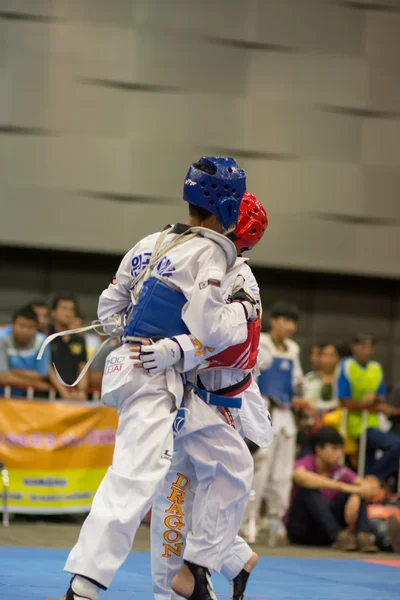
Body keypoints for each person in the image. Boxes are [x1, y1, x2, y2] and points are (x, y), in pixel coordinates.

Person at [59, 157, 259, 600]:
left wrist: (144, 329)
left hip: (157, 378)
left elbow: (107, 310)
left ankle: (214, 562)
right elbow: (211, 328)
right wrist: (236, 315)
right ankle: (83, 588)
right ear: (228, 207)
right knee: (136, 479)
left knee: (230, 466)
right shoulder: (211, 252)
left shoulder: (153, 240)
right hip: (155, 379)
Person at [139, 192, 273, 600]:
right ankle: (224, 563)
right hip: (190, 391)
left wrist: (175, 350)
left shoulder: (238, 279)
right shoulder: (185, 251)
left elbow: (221, 339)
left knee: (194, 487)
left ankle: (196, 573)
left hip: (216, 399)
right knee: (181, 492)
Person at [241, 301, 308, 543]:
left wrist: (300, 389)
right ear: (275, 321)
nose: (290, 327)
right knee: (260, 469)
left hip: (286, 417)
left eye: (294, 323)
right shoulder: (262, 342)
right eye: (286, 321)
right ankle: (249, 522)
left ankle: (276, 521)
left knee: (282, 474)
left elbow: (298, 380)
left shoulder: (293, 348)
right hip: (263, 411)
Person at [286, 426, 380, 552]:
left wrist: (355, 495)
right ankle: (338, 535)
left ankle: (363, 536)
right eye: (334, 449)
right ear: (319, 449)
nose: (339, 454)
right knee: (308, 490)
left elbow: (371, 487)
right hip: (302, 529)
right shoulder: (305, 463)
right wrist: (345, 487)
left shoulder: (341, 470)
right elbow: (300, 477)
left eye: (341, 449)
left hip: (324, 533)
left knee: (357, 492)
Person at [337, 334, 400, 481]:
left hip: (374, 424)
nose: (368, 351)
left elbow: (382, 396)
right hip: (354, 426)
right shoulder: (346, 365)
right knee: (396, 445)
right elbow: (343, 400)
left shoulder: (376, 367)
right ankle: (372, 479)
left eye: (371, 347)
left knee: (366, 464)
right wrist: (364, 402)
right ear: (354, 346)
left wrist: (373, 399)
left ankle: (367, 484)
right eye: (363, 346)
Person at [0, 306, 50, 397]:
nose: (25, 331)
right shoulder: (2, 338)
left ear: (36, 327)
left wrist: (13, 371)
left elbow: (41, 375)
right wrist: (35, 383)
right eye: (22, 325)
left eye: (30, 327)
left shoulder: (42, 341)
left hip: (30, 398)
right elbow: (2, 377)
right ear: (12, 325)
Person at [49, 295, 89, 401]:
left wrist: (82, 391)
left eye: (71, 309)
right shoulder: (45, 337)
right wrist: (64, 392)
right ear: (53, 313)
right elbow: (47, 367)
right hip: (50, 394)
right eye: (63, 309)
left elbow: (82, 367)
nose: (68, 313)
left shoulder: (79, 339)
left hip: (75, 395)